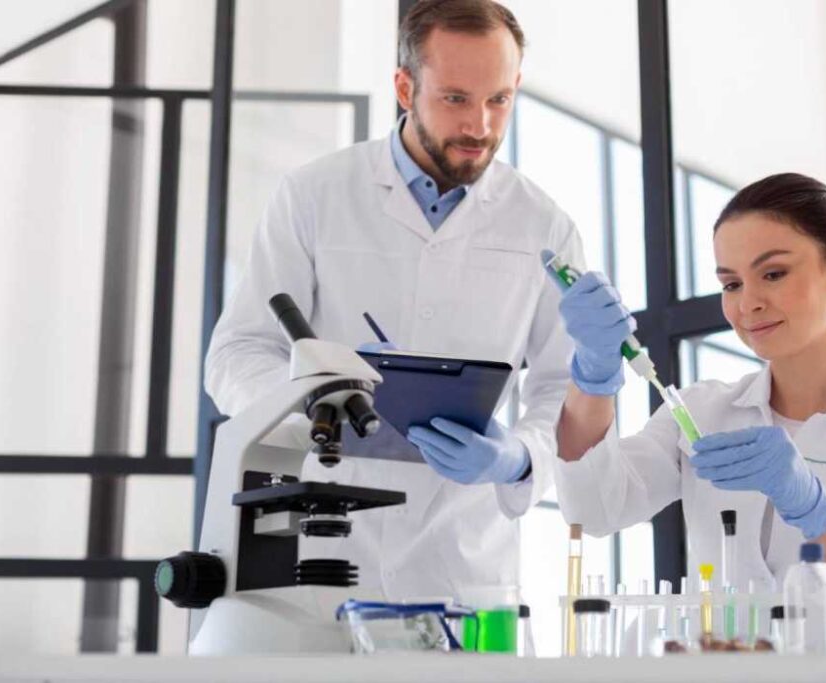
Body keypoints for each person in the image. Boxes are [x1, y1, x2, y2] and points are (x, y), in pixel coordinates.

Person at [205, 0, 585, 600]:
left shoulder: (545, 226)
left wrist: (515, 457)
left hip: (463, 561)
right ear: (405, 87)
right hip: (318, 544)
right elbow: (237, 352)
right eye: (456, 98)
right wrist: (309, 406)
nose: (480, 126)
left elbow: (562, 386)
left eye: (499, 100)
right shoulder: (313, 195)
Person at [550, 173, 826, 638]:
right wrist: (593, 374)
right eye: (731, 284)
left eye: (773, 274)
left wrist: (819, 514)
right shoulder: (701, 414)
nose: (747, 304)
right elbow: (591, 509)